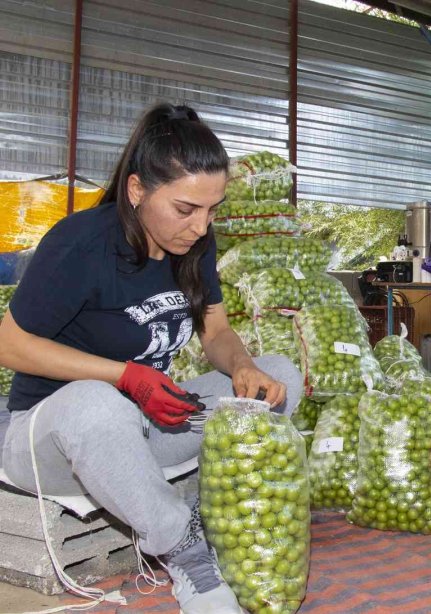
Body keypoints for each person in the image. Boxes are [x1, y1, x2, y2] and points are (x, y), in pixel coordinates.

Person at [0, 103, 303, 614]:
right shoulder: (82, 244)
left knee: (279, 377)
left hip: (149, 424)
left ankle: (213, 504)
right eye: (186, 209)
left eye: (212, 210)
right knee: (99, 403)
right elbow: (9, 344)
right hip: (55, 439)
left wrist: (242, 365)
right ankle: (183, 546)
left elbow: (216, 331)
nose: (201, 226)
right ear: (137, 190)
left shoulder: (194, 246)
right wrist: (125, 376)